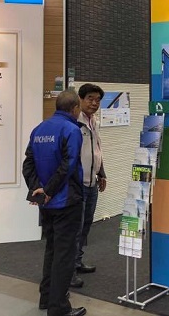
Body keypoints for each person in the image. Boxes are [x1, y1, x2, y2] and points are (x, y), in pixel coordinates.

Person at [22, 90, 87, 316]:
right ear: (75, 108)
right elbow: (69, 165)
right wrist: (49, 190)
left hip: (47, 203)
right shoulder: (71, 130)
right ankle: (59, 308)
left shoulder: (39, 129)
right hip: (67, 201)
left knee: (51, 249)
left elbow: (28, 164)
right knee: (64, 255)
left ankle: (46, 298)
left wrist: (38, 191)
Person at [70, 84, 107, 288]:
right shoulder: (75, 123)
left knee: (86, 225)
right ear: (80, 99)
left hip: (92, 182)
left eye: (98, 100)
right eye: (90, 98)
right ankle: (68, 271)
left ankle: (77, 261)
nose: (94, 103)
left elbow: (96, 150)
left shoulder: (95, 122)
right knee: (75, 228)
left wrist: (101, 173)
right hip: (77, 185)